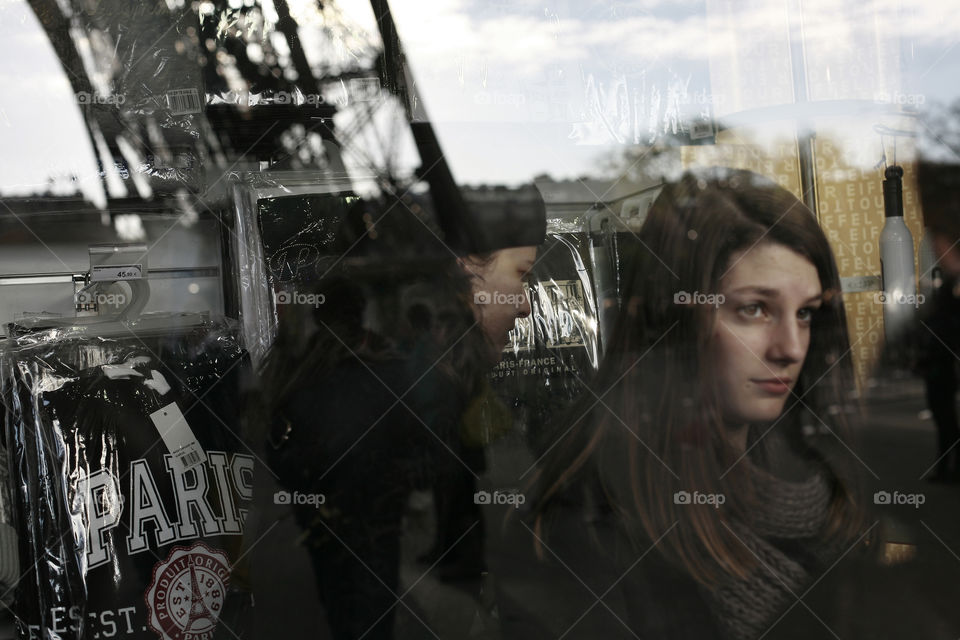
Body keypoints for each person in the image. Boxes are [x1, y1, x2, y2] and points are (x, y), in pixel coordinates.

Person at [529, 168, 870, 639]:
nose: (790, 347)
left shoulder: (808, 477)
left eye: (806, 313)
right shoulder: (592, 524)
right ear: (675, 318)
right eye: (754, 309)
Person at [254, 190, 543, 639]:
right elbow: (382, 586)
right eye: (520, 274)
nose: (525, 304)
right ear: (466, 269)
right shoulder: (404, 402)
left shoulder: (364, 379)